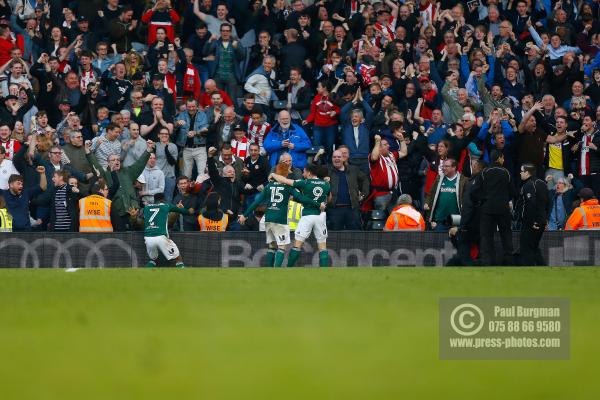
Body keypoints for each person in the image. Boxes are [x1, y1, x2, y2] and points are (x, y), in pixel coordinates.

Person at [240, 162, 323, 267]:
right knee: (281, 247)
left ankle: (269, 271)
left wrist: (245, 215)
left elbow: (256, 202)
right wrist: (317, 204)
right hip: (280, 219)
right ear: (285, 172)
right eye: (288, 169)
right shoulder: (288, 186)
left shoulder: (269, 186)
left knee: (271, 246)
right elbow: (301, 198)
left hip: (268, 218)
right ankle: (276, 272)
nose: (290, 171)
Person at [270, 164, 331, 267]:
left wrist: (272, 174)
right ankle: (325, 272)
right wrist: (322, 203)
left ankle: (289, 269)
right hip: (320, 216)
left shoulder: (304, 182)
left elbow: (284, 180)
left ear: (309, 173)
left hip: (307, 215)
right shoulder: (326, 184)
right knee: (322, 246)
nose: (303, 174)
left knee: (297, 245)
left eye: (304, 171)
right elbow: (329, 199)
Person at [479, 150, 516, 265]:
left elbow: (477, 191)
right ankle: (508, 261)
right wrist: (505, 199)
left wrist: (484, 201)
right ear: (499, 158)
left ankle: (487, 261)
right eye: (503, 158)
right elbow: (514, 192)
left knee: (486, 236)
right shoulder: (506, 172)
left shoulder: (484, 172)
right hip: (503, 209)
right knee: (506, 235)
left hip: (487, 209)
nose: (503, 160)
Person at [143, 193, 189, 268]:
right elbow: (182, 211)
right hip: (161, 236)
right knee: (177, 258)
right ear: (163, 199)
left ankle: (143, 275)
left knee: (153, 259)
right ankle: (182, 271)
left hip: (148, 238)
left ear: (154, 200)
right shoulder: (166, 205)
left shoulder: (146, 208)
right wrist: (186, 210)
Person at [516, 164, 549, 266]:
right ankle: (542, 267)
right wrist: (545, 219)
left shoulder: (529, 185)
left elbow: (530, 205)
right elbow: (548, 203)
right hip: (541, 221)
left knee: (526, 248)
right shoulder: (542, 183)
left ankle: (528, 270)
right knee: (534, 247)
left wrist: (531, 222)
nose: (520, 173)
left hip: (531, 222)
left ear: (527, 172)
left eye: (522, 171)